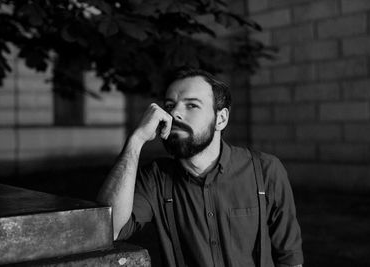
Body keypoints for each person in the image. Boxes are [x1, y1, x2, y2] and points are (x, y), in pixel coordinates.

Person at [97, 67, 303, 267]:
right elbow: (107, 229)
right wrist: (136, 140)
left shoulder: (266, 171)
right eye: (170, 105)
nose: (174, 113)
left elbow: (290, 258)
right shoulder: (156, 178)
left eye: (192, 105)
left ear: (221, 119)